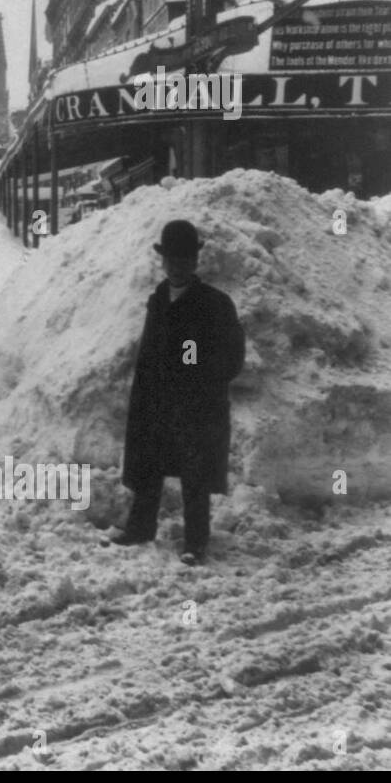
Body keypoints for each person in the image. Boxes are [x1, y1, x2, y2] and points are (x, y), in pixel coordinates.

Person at [106, 219, 245, 567]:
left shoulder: (214, 304)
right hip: (157, 402)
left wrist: (198, 376)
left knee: (194, 475)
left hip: (197, 407)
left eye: (185, 260)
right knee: (148, 466)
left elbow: (232, 357)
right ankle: (141, 528)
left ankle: (195, 542)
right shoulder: (158, 300)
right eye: (172, 260)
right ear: (163, 261)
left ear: (196, 262)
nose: (178, 267)